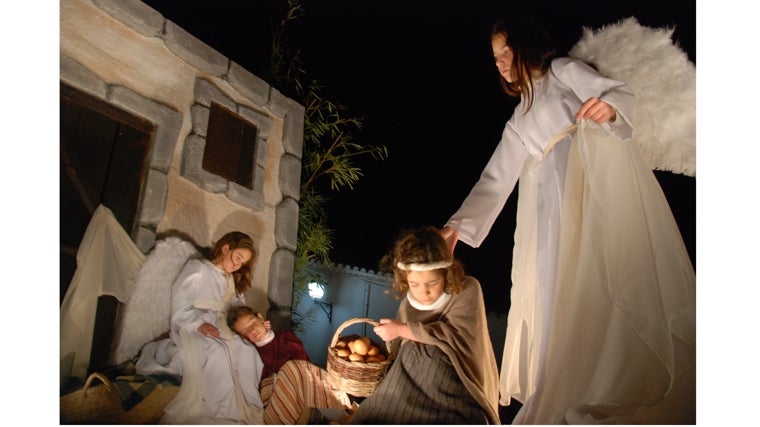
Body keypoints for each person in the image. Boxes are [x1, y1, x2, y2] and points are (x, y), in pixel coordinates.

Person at [440, 15, 696, 424]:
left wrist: (608, 108)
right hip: (546, 212)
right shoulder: (519, 118)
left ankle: (610, 378)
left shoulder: (562, 71)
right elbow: (496, 177)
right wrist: (457, 227)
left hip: (585, 185)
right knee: (553, 287)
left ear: (525, 46)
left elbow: (615, 93)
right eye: (495, 58)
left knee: (599, 274)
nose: (501, 63)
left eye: (506, 52)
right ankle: (562, 380)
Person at [348, 226, 500, 424]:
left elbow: (459, 336)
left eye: (433, 282)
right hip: (407, 385)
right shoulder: (408, 304)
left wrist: (403, 329)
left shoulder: (466, 289)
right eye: (414, 284)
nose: (424, 292)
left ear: (447, 273)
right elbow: (398, 354)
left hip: (452, 384)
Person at [135, 231, 266, 424]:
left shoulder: (232, 282)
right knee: (218, 352)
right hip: (194, 325)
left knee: (248, 353)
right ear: (226, 247)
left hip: (224, 328)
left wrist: (257, 322)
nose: (238, 265)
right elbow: (180, 300)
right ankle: (222, 411)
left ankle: (246, 409)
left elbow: (239, 313)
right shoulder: (198, 268)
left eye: (243, 263)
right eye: (238, 257)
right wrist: (197, 323)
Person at [226, 305, 353, 424]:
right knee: (289, 370)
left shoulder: (285, 337)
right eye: (246, 332)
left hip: (300, 394)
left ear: (260, 317)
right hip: (275, 406)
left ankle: (339, 415)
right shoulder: (253, 353)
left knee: (297, 368)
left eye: (252, 323)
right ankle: (342, 416)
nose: (252, 330)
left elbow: (305, 366)